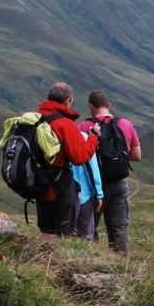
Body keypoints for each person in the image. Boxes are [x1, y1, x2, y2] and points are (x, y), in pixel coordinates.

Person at [35, 82, 101, 241]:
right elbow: (79, 157)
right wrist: (93, 138)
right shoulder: (64, 123)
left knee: (46, 229)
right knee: (65, 230)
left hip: (39, 182)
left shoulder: (36, 119)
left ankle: (42, 261)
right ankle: (58, 263)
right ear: (68, 100)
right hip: (60, 185)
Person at [80, 89, 141, 253]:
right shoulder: (125, 124)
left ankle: (90, 260)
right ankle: (121, 265)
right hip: (118, 182)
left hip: (93, 184)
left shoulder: (86, 126)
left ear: (90, 106)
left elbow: (81, 156)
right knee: (119, 226)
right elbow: (136, 155)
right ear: (109, 105)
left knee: (89, 226)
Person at [71, 132, 105, 240]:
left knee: (64, 234)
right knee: (86, 236)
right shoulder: (83, 137)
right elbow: (92, 169)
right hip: (83, 197)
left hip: (62, 196)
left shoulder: (51, 134)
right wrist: (99, 194)